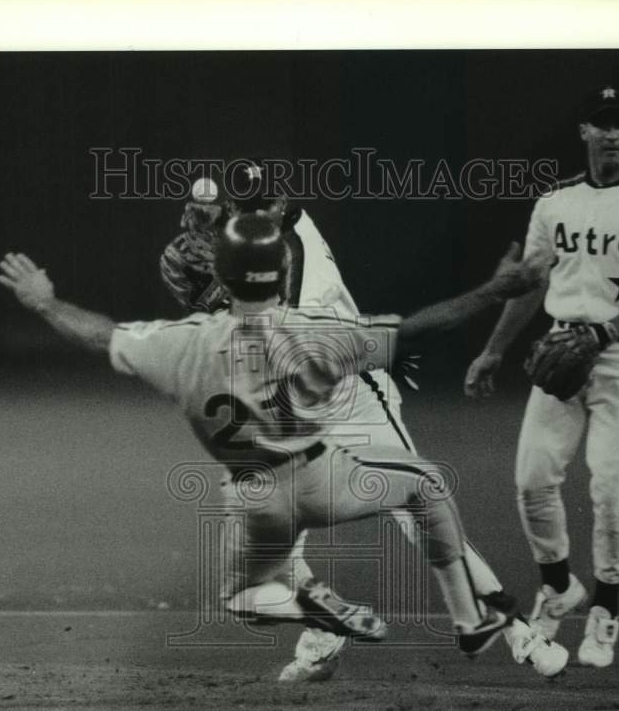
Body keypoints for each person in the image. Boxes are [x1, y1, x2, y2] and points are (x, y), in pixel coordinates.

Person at [0, 212, 569, 680]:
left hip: (340, 403)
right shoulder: (283, 291)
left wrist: (44, 302)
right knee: (417, 496)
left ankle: (516, 629)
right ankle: (335, 629)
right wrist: (498, 288)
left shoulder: (200, 329)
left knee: (278, 548)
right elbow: (419, 328)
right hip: (320, 379)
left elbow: (104, 334)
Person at [159, 160, 425, 683]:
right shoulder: (254, 244)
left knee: (414, 506)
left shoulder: (291, 244)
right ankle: (324, 633)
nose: (242, 215)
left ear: (280, 204)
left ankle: (513, 628)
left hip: (339, 389)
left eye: (257, 205)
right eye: (228, 209)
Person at [464, 85, 619, 667]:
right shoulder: (554, 202)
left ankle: (606, 611)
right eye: (602, 124)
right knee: (531, 479)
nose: (612, 134)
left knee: (610, 487)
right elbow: (532, 284)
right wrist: (493, 350)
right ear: (585, 133)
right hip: (561, 345)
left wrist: (609, 332)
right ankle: (560, 585)